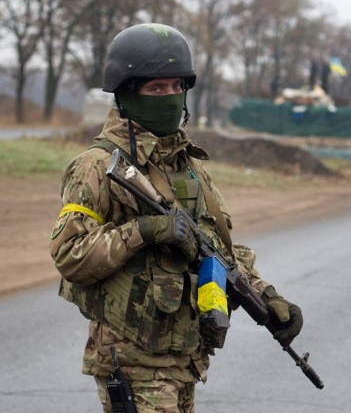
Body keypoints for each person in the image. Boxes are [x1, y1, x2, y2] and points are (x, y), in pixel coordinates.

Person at [49, 23, 303, 413]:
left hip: (185, 357)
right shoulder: (97, 166)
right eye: (156, 89)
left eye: (176, 87)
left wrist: (266, 297)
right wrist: (145, 230)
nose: (169, 97)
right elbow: (69, 255)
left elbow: (219, 251)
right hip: (132, 359)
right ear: (127, 94)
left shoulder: (190, 168)